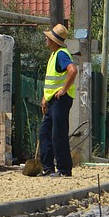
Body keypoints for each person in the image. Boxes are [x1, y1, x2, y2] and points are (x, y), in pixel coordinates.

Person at [38, 23, 77, 177]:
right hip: (52, 100)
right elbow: (51, 81)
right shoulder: (54, 55)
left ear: (54, 41)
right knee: (44, 133)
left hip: (60, 100)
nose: (46, 39)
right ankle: (48, 167)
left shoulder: (61, 54)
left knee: (58, 134)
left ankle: (64, 169)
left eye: (48, 38)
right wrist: (45, 97)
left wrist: (64, 90)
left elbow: (73, 70)